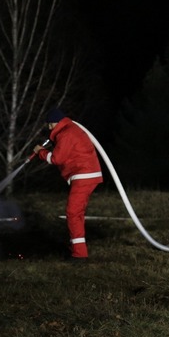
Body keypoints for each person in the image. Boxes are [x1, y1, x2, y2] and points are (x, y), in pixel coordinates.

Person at [33, 108, 103, 262]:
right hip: (86, 174)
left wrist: (41, 152)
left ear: (57, 122)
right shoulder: (70, 130)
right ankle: (78, 249)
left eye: (51, 125)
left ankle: (79, 255)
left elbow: (56, 159)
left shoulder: (66, 133)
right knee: (76, 213)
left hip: (84, 174)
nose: (50, 128)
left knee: (72, 212)